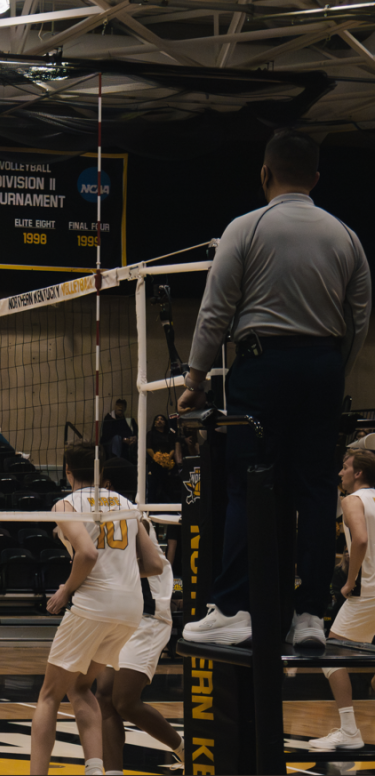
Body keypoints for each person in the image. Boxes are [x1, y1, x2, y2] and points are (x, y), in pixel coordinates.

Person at [181, 131, 370, 649]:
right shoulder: (346, 236)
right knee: (315, 493)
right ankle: (310, 615)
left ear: (265, 174)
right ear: (315, 178)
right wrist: (333, 370)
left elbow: (214, 311)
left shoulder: (247, 228)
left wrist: (195, 381)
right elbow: (358, 319)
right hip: (324, 369)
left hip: (263, 369)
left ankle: (236, 609)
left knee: (248, 484)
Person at [30, 441, 166, 776]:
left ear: (66, 471)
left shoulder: (65, 505)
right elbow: (154, 564)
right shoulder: (126, 504)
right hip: (131, 608)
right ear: (100, 472)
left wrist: (66, 589)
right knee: (79, 687)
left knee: (49, 696)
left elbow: (87, 554)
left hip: (94, 603)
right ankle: (95, 769)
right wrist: (120, 571)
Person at [95, 515, 184, 773]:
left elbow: (143, 565)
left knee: (124, 701)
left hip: (147, 616)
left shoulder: (134, 519)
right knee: (104, 696)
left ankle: (184, 750)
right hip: (117, 613)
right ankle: (113, 772)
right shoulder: (94, 517)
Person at [308, 449, 374, 751]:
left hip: (369, 593)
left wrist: (350, 581)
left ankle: (349, 730)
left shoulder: (352, 501)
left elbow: (360, 539)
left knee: (331, 653)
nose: (340, 473)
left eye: (345, 467)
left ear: (358, 473)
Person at [144, 414, 179, 503]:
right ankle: (151, 508)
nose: (159, 421)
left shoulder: (169, 435)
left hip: (167, 464)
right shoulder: (150, 434)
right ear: (154, 423)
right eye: (157, 419)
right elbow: (148, 448)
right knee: (153, 487)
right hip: (154, 463)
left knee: (167, 486)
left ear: (165, 423)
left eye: (162, 419)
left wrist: (166, 459)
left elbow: (172, 449)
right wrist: (157, 459)